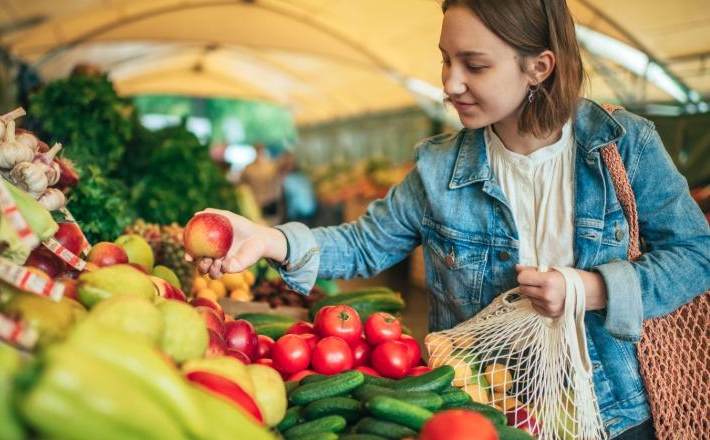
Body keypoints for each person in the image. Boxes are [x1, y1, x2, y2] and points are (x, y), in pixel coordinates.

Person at [187, 1, 710, 438]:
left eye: (474, 65)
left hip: (615, 417)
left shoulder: (623, 145)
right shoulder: (441, 168)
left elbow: (696, 255)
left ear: (540, 66)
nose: (450, 84)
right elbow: (365, 244)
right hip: (483, 412)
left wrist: (592, 289)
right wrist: (269, 239)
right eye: (445, 60)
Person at [239, 143, 284, 225]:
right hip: (258, 203)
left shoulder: (271, 167)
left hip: (267, 201)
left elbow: (277, 186)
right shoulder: (250, 168)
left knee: (271, 226)